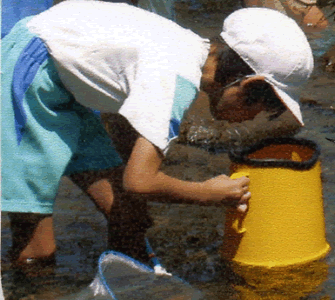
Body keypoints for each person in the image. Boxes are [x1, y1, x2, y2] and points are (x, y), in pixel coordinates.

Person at [2, 3, 313, 273]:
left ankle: (131, 276)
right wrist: (208, 193)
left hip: (64, 75)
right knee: (38, 249)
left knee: (128, 217)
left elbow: (127, 121)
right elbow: (138, 181)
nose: (252, 119)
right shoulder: (174, 83)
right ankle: (31, 283)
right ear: (246, 83)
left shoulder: (188, 50)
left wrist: (134, 195)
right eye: (258, 108)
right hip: (29, 76)